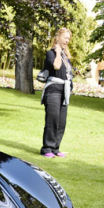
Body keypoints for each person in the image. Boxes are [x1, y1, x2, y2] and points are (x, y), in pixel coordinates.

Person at [40, 28, 73, 158]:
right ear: (58, 37)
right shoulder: (51, 53)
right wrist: (58, 52)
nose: (67, 41)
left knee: (61, 122)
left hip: (63, 91)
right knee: (52, 120)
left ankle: (55, 148)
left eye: (68, 39)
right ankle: (47, 148)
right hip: (53, 90)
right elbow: (56, 66)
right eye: (65, 38)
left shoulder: (66, 57)